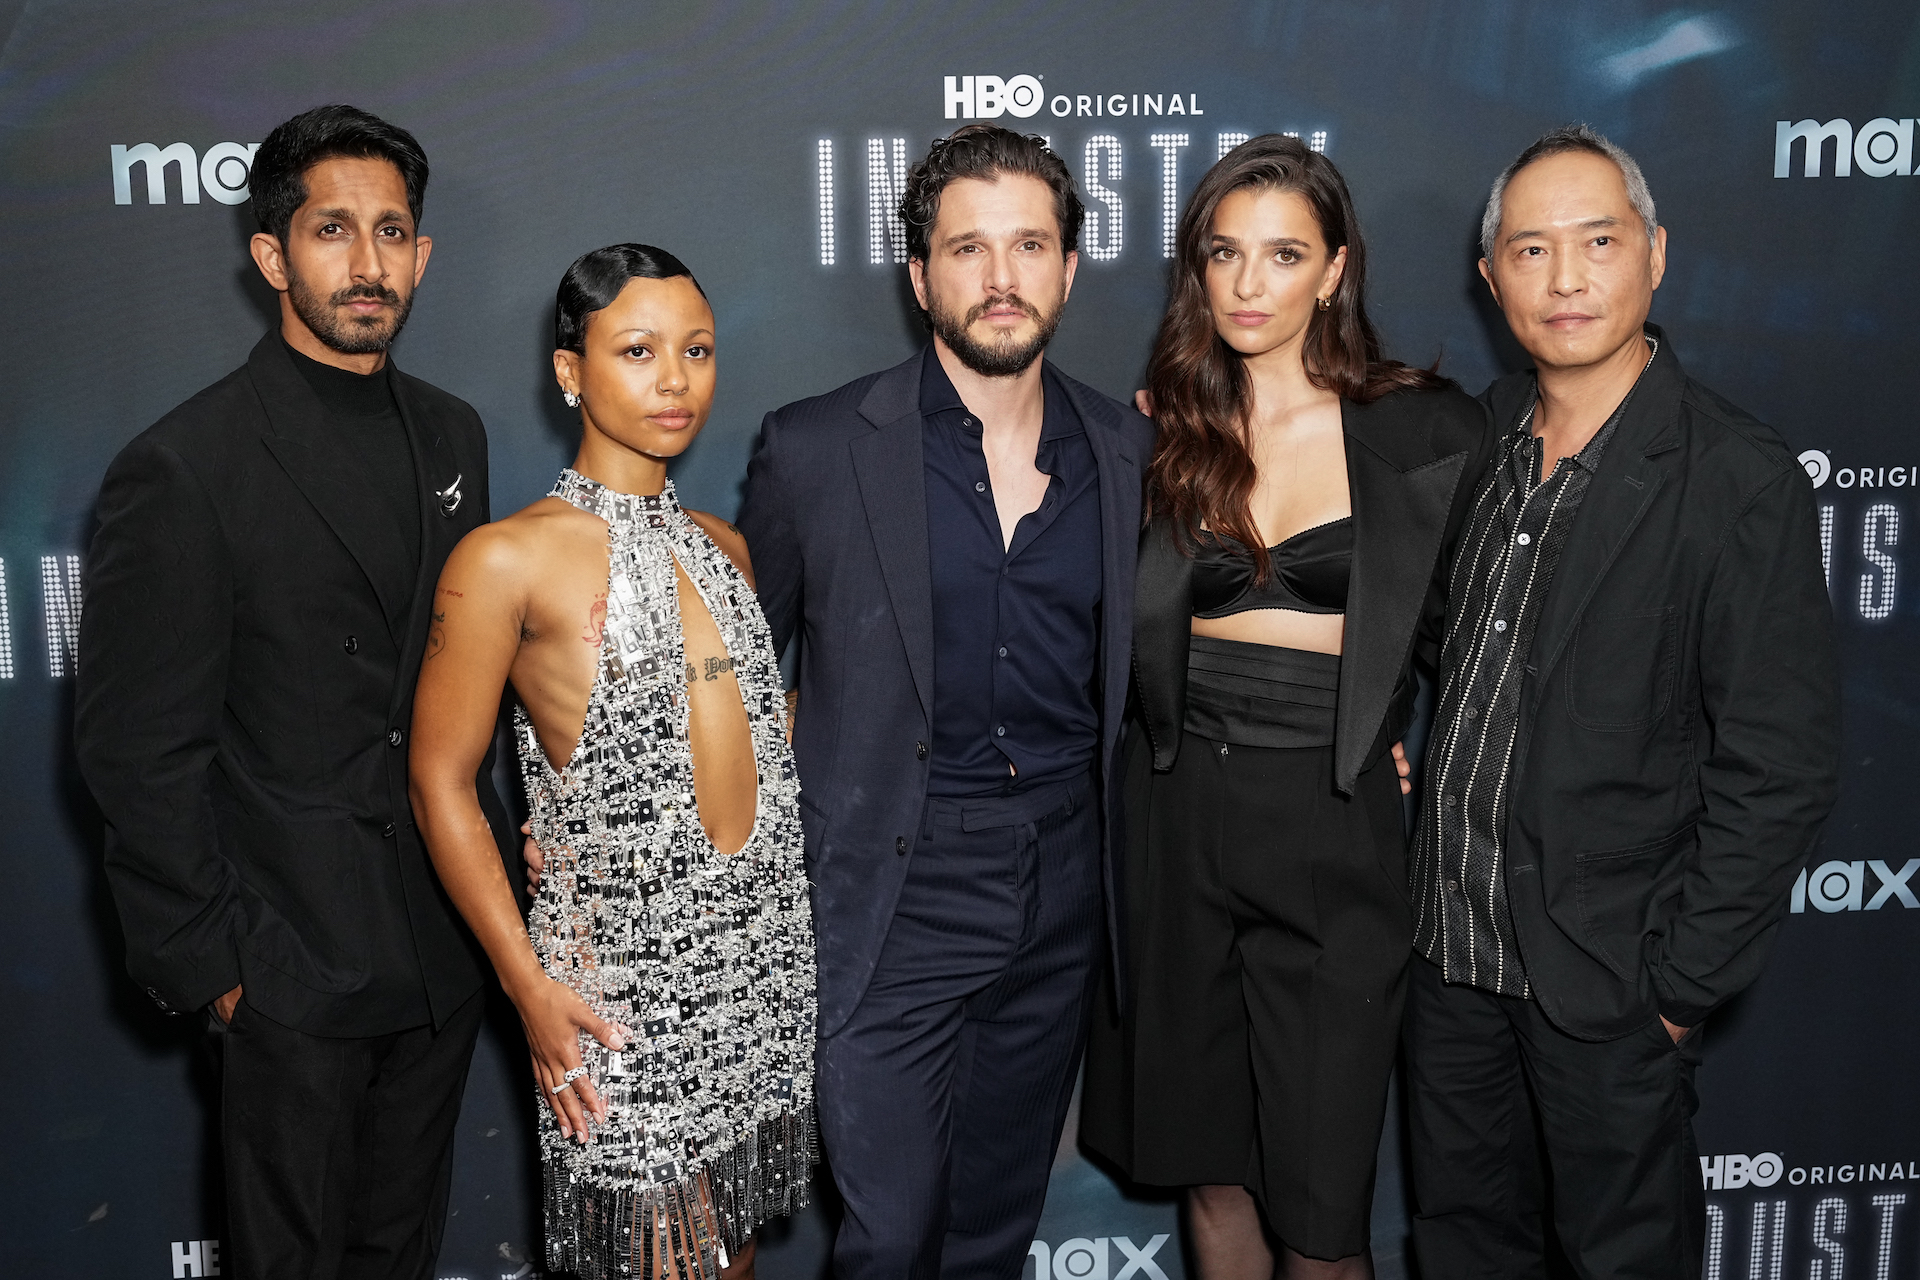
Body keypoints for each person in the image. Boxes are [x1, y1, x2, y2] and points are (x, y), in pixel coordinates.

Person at [75, 104, 512, 1279]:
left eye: (392, 232)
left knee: (401, 1256)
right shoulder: (185, 465)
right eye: (332, 230)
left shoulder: (453, 432)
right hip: (287, 967)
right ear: (274, 254)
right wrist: (222, 970)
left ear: (423, 255)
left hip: (435, 948)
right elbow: (134, 749)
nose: (366, 264)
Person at [1403, 124, 1840, 1279]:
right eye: (1531, 249)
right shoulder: (1478, 437)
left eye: (1597, 241)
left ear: (1654, 252)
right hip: (1449, 966)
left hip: (1606, 985)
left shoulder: (1737, 478)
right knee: (1461, 1252)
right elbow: (1451, 645)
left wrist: (1679, 988)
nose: (1565, 278)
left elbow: (1779, 762)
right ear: (1492, 276)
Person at [732, 124, 1155, 1277]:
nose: (1002, 276)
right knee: (890, 1231)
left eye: (1031, 244)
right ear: (920, 276)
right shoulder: (817, 448)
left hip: (1064, 884)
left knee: (989, 1230)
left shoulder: (1129, 452)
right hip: (891, 894)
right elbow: (733, 684)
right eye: (969, 248)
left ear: (1070, 267)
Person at [1080, 135, 1494, 1280]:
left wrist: (1413, 744)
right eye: (1225, 253)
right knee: (1214, 1174)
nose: (1250, 284)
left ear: (1336, 268)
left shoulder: (1429, 431)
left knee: (1320, 1209)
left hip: (1333, 822)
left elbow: (1496, 639)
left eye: (1283, 254)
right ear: (1197, 270)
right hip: (1174, 813)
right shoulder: (1156, 431)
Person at [410, 244, 816, 1280]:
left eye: (697, 349)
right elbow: (440, 778)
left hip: (752, 963)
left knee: (731, 1259)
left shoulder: (726, 547)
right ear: (570, 371)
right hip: (619, 993)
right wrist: (526, 981)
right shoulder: (505, 558)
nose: (674, 378)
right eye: (637, 350)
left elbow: (756, 739)